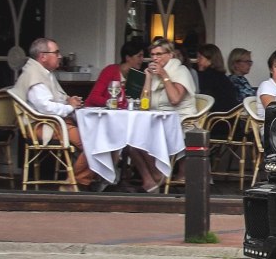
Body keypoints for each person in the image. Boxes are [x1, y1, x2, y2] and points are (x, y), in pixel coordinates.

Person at [11, 37, 96, 190]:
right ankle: (74, 183)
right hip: (44, 125)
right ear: (43, 56)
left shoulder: (44, 72)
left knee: (97, 139)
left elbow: (56, 97)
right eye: (56, 52)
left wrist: (69, 100)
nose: (60, 56)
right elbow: (46, 108)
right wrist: (70, 107)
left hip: (57, 123)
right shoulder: (33, 75)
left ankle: (80, 180)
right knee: (94, 143)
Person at [130, 38, 197, 193]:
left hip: (181, 121)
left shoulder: (180, 71)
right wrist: (147, 79)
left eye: (159, 54)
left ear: (170, 55)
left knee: (143, 139)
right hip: (157, 120)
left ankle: (158, 174)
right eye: (152, 54)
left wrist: (164, 76)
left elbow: (175, 99)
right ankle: (151, 179)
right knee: (132, 142)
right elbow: (144, 104)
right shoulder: (153, 73)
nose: (155, 58)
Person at [85, 38, 146, 108]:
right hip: (97, 114)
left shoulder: (137, 76)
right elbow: (94, 97)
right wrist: (111, 103)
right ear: (128, 57)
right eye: (139, 56)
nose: (142, 59)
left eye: (142, 56)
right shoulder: (110, 71)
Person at [194, 44, 241, 113]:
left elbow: (204, 102)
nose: (197, 61)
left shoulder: (207, 77)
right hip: (229, 119)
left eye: (200, 58)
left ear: (210, 60)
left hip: (215, 119)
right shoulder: (222, 77)